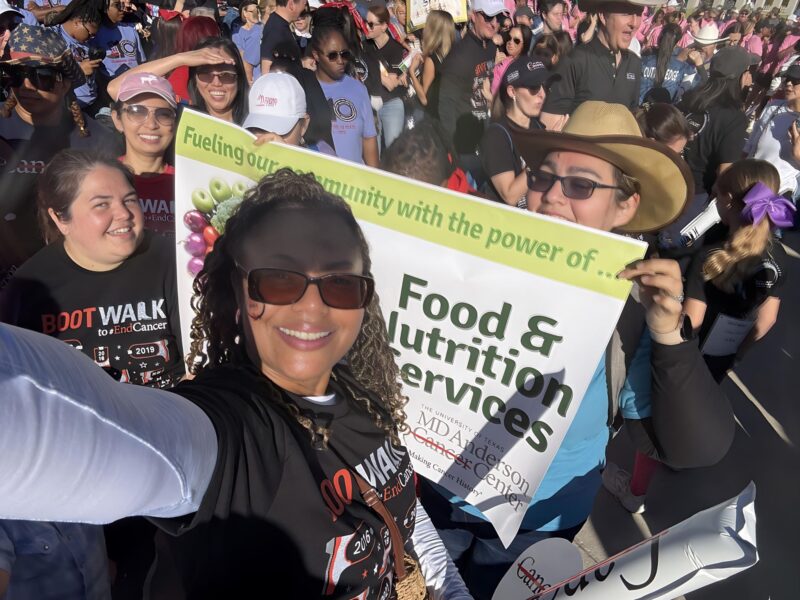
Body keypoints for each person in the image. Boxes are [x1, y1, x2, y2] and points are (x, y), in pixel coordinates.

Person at [0, 168, 472, 599]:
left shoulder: (359, 393)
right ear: (234, 294)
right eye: (279, 280)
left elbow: (392, 497)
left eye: (340, 282)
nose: (311, 307)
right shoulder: (233, 428)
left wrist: (451, 589)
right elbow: (90, 433)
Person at [419, 101, 733, 600]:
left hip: (538, 523)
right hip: (434, 491)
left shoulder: (633, 312)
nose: (551, 197)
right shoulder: (475, 257)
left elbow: (701, 446)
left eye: (581, 185)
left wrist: (671, 336)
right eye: (543, 177)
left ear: (625, 206)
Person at [0, 23, 117, 289]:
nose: (27, 85)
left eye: (41, 75)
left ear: (65, 83)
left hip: (77, 280)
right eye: (16, 75)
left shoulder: (97, 139)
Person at [684, 159, 791, 382]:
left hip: (688, 359)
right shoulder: (779, 256)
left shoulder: (710, 256)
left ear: (729, 200)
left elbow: (691, 322)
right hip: (722, 356)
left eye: (717, 194)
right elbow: (767, 320)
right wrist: (737, 355)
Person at [663, 45, 755, 255]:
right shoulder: (734, 118)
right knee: (676, 255)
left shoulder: (691, 98)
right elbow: (724, 172)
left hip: (667, 178)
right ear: (741, 76)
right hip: (695, 195)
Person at [540, 0, 657, 131]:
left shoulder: (634, 63)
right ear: (602, 16)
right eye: (626, 13)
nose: (634, 23)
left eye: (639, 13)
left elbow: (631, 117)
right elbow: (549, 126)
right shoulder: (575, 61)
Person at [436, 0, 508, 176]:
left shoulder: (491, 46)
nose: (494, 23)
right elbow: (445, 109)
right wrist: (453, 154)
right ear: (472, 16)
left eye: (498, 17)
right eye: (488, 17)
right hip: (464, 149)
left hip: (486, 138)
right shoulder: (458, 57)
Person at [108, 39, 249, 125]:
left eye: (226, 75)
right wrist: (179, 59)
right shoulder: (181, 118)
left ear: (239, 77)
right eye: (205, 74)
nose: (216, 82)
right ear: (195, 80)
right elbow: (115, 89)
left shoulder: (255, 122)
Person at [110, 72, 179, 237]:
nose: (151, 124)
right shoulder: (100, 181)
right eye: (137, 111)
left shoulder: (188, 185)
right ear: (117, 120)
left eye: (163, 114)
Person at [481, 57, 548, 206]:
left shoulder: (538, 127)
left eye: (544, 86)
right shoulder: (497, 136)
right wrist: (543, 153)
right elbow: (510, 196)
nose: (542, 94)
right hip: (504, 225)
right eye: (534, 87)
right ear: (512, 91)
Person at [312, 26, 379, 166]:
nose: (340, 60)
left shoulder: (359, 89)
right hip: (316, 183)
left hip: (353, 183)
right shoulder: (304, 88)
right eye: (332, 55)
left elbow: (369, 139)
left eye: (345, 54)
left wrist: (376, 182)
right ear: (316, 55)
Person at [746, 63, 800, 199]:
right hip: (749, 178)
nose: (788, 84)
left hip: (776, 191)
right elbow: (751, 143)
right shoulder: (773, 107)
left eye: (795, 81)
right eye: (786, 79)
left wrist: (797, 154)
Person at [363, 3, 408, 151]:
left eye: (371, 24)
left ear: (384, 26)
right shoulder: (364, 46)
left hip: (392, 104)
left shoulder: (396, 49)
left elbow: (393, 83)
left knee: (393, 151)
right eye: (365, 22)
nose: (366, 27)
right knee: (373, 153)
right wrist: (382, 76)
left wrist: (372, 71)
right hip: (369, 105)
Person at [49, 0, 106, 112]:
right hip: (66, 108)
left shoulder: (85, 43)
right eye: (90, 34)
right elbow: (48, 76)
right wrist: (79, 70)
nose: (91, 38)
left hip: (91, 106)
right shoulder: (51, 37)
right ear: (78, 22)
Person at [639, 22, 704, 105]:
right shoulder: (682, 66)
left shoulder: (644, 59)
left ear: (659, 38)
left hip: (640, 111)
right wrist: (698, 63)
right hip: (665, 114)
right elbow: (701, 83)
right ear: (677, 43)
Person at [407, 9, 455, 120]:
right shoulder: (454, 53)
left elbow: (424, 99)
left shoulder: (432, 59)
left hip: (431, 117)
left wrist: (412, 72)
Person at [259, 0, 307, 73]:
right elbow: (267, 70)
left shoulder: (279, 25)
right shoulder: (276, 29)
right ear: (291, 5)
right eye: (304, 4)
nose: (304, 8)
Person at [490, 23, 532, 96]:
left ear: (525, 45)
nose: (510, 42)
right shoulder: (505, 58)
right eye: (509, 38)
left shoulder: (521, 68)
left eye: (516, 41)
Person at [232, 0, 264, 84]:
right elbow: (244, 60)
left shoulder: (264, 27)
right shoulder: (237, 35)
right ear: (244, 13)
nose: (255, 13)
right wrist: (249, 81)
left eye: (257, 11)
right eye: (252, 11)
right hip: (253, 78)